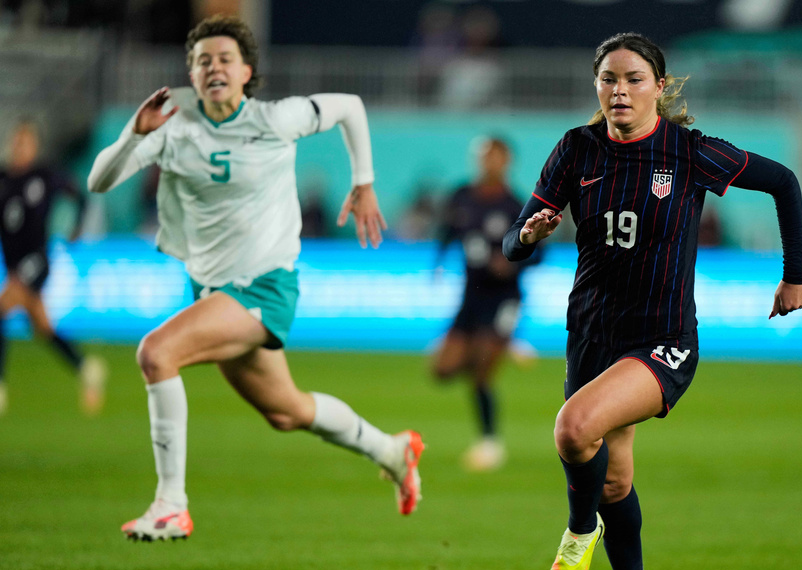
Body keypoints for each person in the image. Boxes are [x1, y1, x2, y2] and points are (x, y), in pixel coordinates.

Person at [503, 33, 802, 570]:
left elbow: (785, 182)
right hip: (591, 333)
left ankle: (580, 529)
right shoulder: (576, 150)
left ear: (659, 88)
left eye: (634, 79)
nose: (620, 90)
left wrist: (795, 276)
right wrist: (531, 235)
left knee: (572, 427)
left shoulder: (689, 153)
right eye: (609, 79)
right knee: (615, 478)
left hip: (663, 339)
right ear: (597, 87)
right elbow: (513, 243)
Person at [88, 15, 424, 542]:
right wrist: (134, 134)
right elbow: (99, 181)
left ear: (247, 71)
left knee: (157, 353)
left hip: (264, 286)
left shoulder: (276, 118)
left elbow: (350, 108)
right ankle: (392, 450)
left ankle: (170, 504)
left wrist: (364, 183)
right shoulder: (172, 130)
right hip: (214, 290)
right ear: (192, 76)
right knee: (288, 412)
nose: (213, 67)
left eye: (224, 58)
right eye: (202, 61)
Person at [432, 136, 536, 471]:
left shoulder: (516, 205)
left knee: (481, 375)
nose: (487, 162)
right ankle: (500, 346)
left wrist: (512, 262)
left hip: (504, 298)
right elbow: (448, 230)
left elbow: (539, 251)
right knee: (442, 370)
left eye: (494, 156)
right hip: (471, 296)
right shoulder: (462, 196)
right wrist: (438, 260)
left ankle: (490, 443)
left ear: (506, 160)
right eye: (482, 156)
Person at [0, 118, 107, 417]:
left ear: (34, 146)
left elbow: (80, 197)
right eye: (17, 142)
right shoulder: (4, 179)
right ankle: (86, 368)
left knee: (2, 309)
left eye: (26, 142)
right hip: (12, 264)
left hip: (36, 260)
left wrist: (77, 228)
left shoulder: (45, 176)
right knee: (42, 327)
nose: (20, 148)